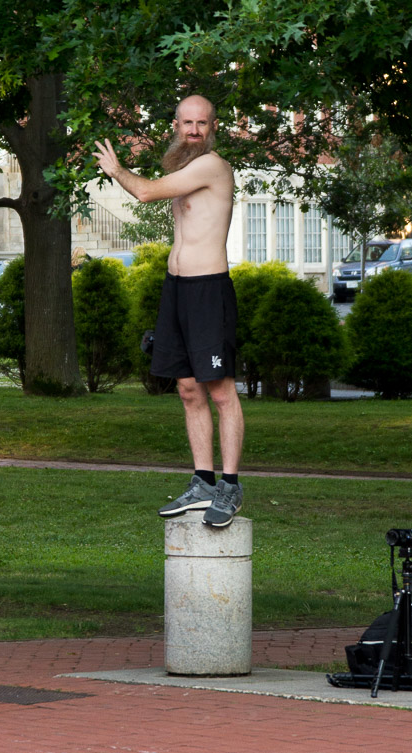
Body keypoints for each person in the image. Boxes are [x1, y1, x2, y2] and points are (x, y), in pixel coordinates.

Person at [94, 95, 244, 528]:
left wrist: (117, 169)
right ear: (175, 125)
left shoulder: (213, 166)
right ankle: (202, 482)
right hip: (177, 289)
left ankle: (230, 486)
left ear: (213, 126)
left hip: (208, 292)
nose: (194, 130)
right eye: (187, 123)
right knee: (188, 390)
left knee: (219, 391)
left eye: (202, 123)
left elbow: (144, 192)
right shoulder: (181, 167)